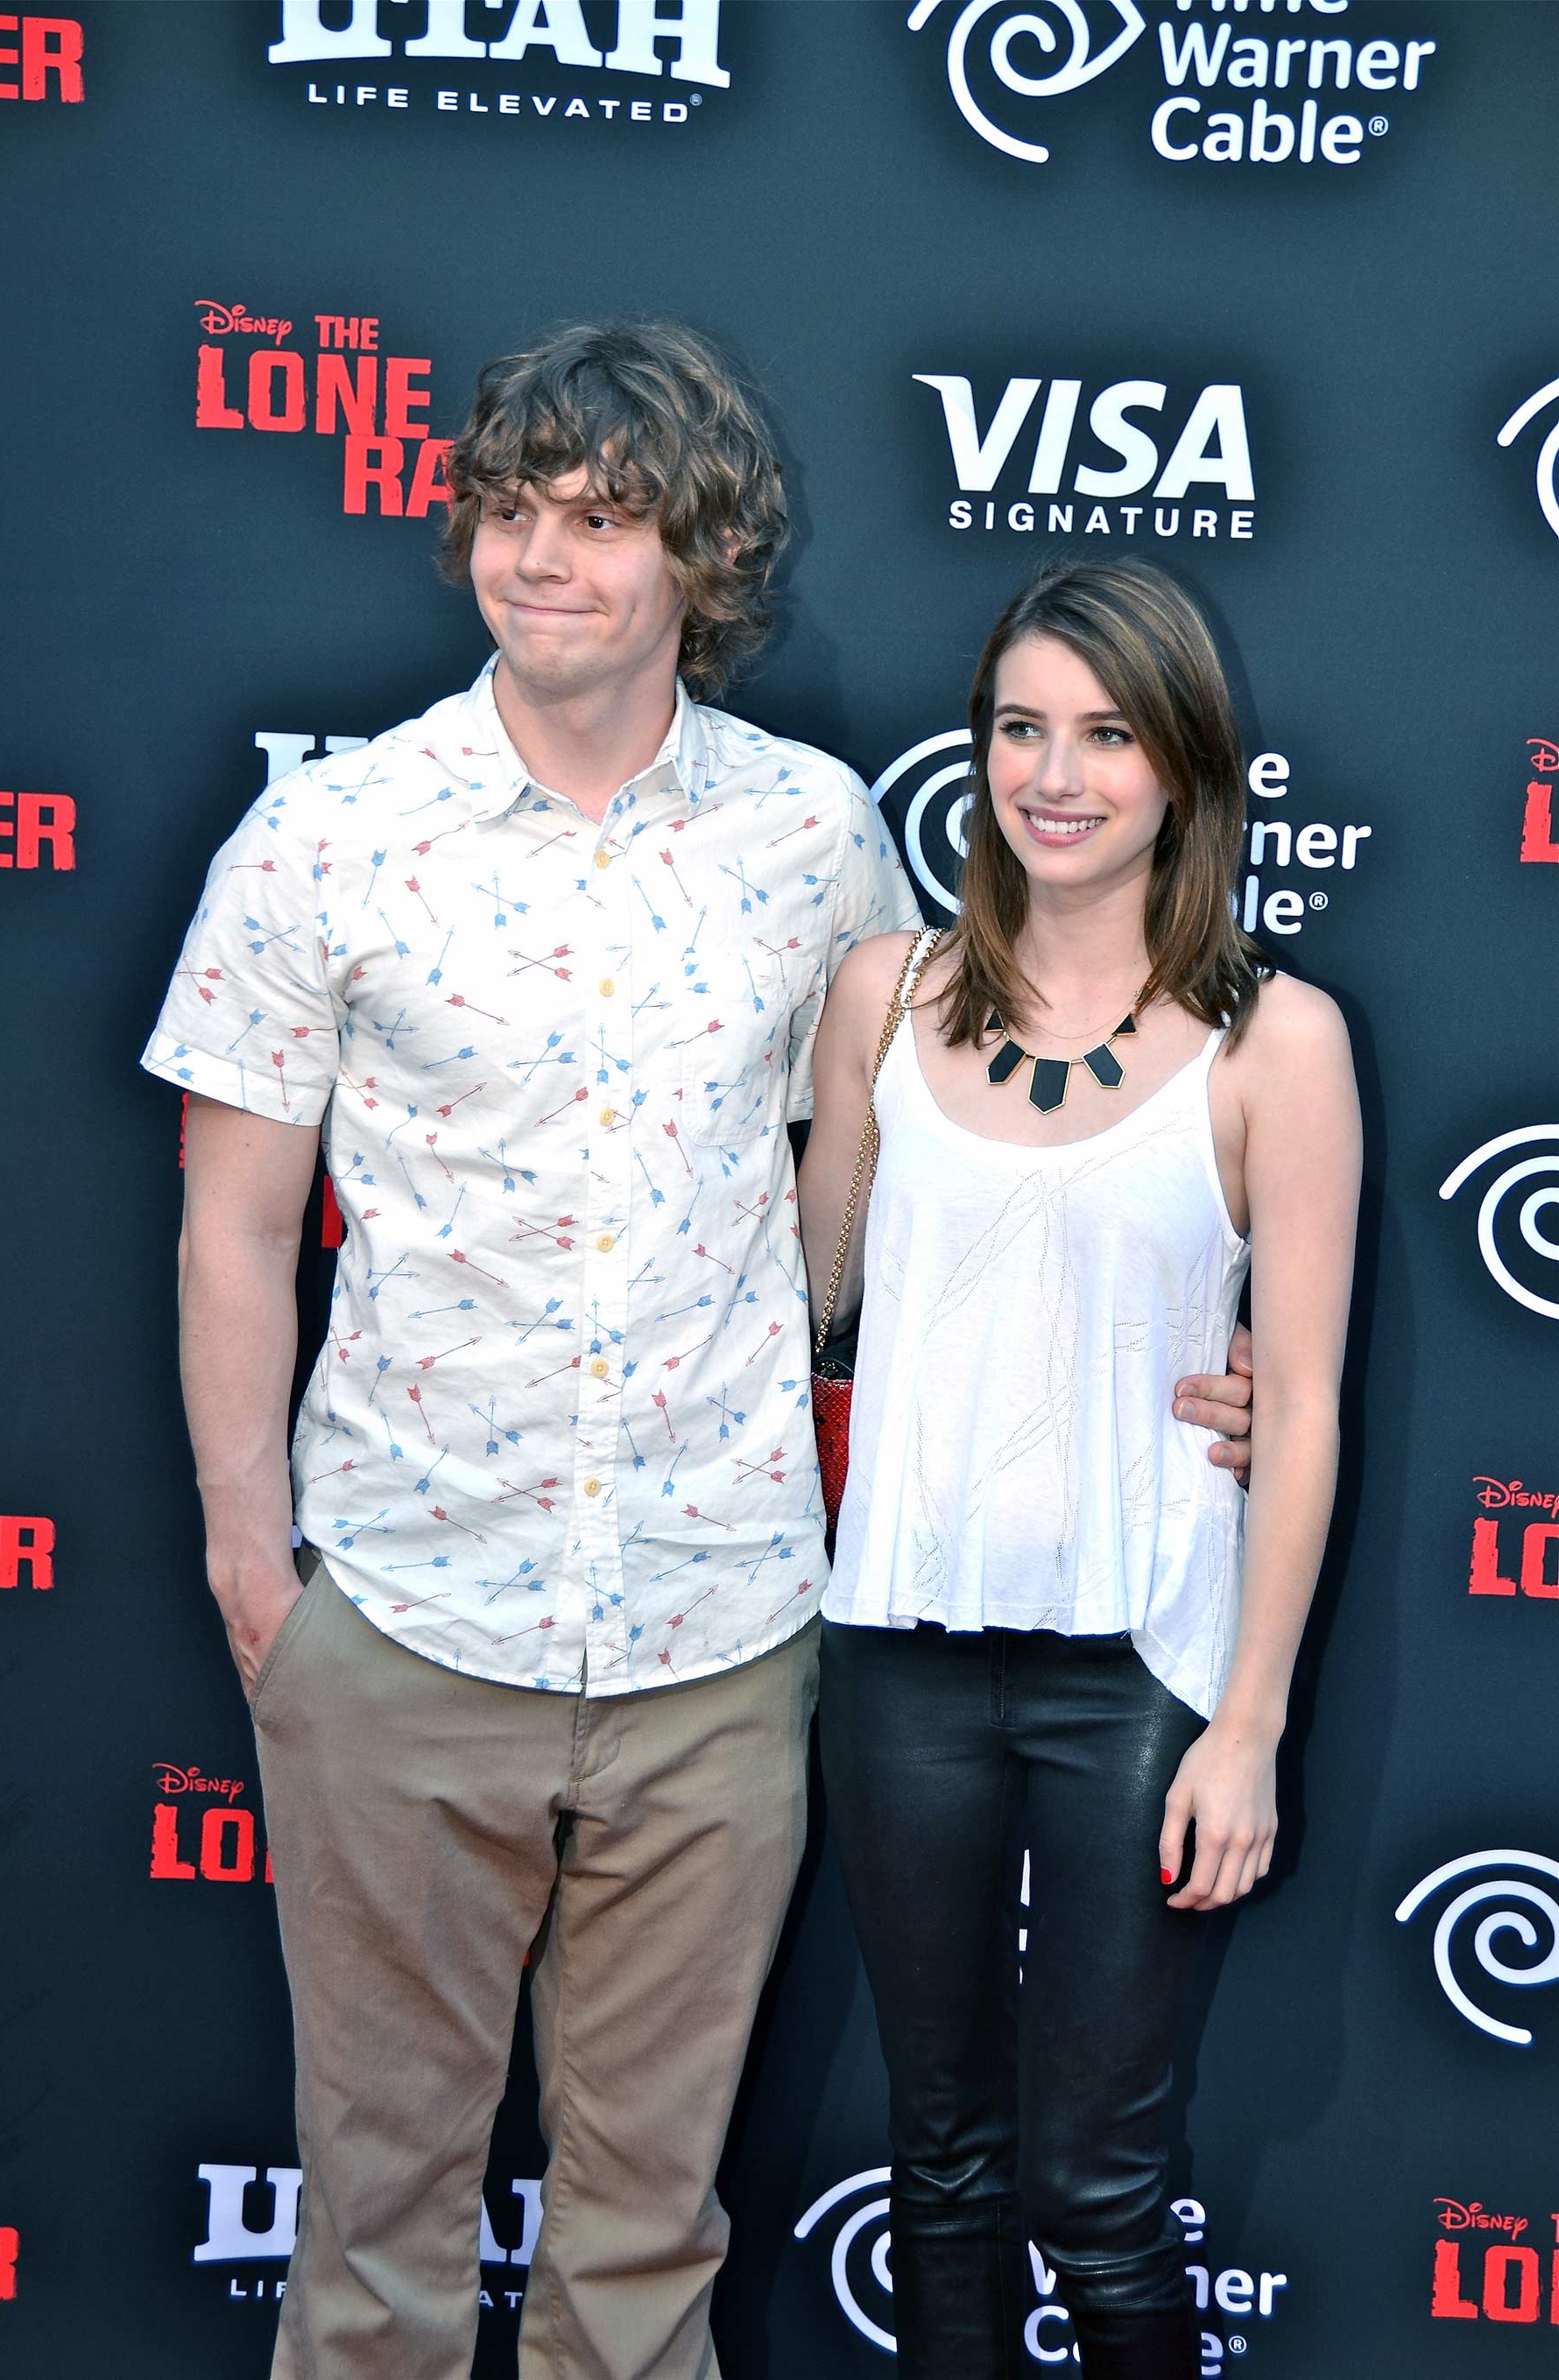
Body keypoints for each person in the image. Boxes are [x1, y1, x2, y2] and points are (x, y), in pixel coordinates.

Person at [142, 321, 1253, 2380]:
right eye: (507, 507)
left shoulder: (816, 841)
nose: (535, 556)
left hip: (723, 1644)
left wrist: (1201, 1350)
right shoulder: (329, 840)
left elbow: (921, 1201)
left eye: (597, 516)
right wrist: (248, 1566)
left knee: (646, 2253)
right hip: (401, 1614)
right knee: (371, 2248)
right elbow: (226, 1225)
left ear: (702, 560)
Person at [799, 558, 1360, 2380]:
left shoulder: (1280, 1039)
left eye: (1107, 733)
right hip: (898, 1653)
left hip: (1139, 1666)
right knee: (939, 2165)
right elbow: (814, 1297)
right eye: (1021, 728)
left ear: (1183, 767)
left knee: (1101, 2190)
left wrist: (1252, 1725)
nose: (1057, 773)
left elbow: (1313, 1410)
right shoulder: (883, 992)